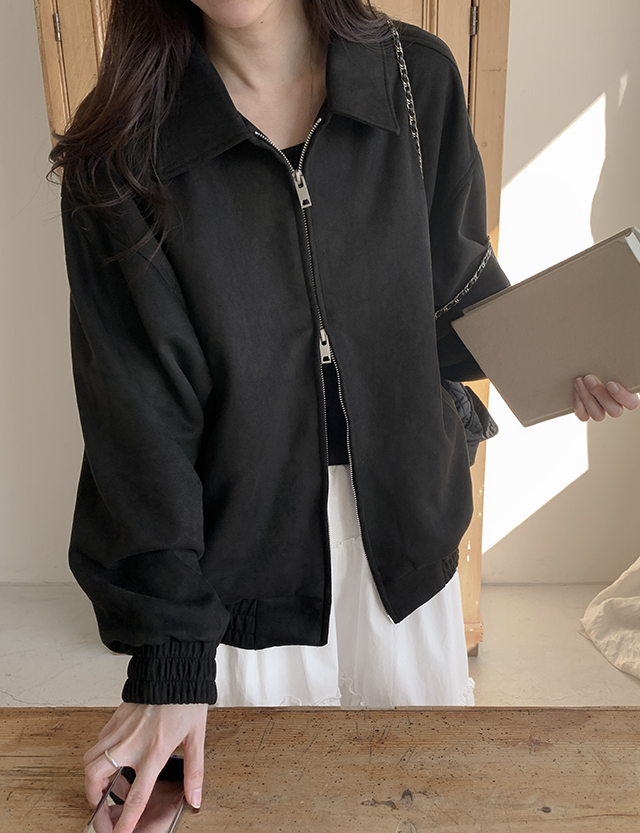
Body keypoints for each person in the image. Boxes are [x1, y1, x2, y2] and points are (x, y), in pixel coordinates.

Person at [50, 1, 639, 830]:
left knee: (427, 801)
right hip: (242, 566)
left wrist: (558, 355)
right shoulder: (119, 152)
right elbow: (139, 427)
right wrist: (170, 662)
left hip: (406, 535)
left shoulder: (415, 77)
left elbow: (452, 288)